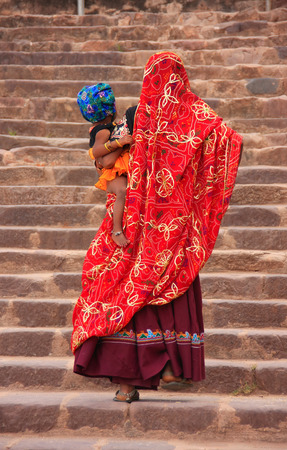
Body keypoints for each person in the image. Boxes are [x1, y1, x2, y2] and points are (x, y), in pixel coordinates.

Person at [72, 52, 243, 403]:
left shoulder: (139, 113)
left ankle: (127, 383)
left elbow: (103, 158)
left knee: (118, 281)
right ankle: (168, 365)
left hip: (138, 216)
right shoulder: (192, 114)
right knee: (168, 284)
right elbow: (227, 139)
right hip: (172, 222)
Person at [77, 83, 134, 247]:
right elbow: (97, 152)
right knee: (122, 191)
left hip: (116, 169)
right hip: (113, 174)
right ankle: (116, 230)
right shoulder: (102, 130)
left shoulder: (107, 128)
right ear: (111, 110)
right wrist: (119, 143)